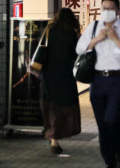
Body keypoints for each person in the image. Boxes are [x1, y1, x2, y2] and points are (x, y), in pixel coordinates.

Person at [76, 0, 120, 168]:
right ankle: (111, 161)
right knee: (103, 124)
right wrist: (97, 39)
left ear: (118, 11)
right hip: (97, 80)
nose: (106, 12)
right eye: (103, 8)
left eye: (110, 8)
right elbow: (79, 48)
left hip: (117, 79)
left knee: (111, 119)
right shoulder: (94, 27)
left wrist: (115, 39)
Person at [37, 8, 81, 154]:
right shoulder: (72, 33)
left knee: (50, 106)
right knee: (64, 106)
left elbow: (41, 50)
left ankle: (53, 138)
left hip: (49, 74)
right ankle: (57, 136)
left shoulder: (49, 30)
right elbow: (76, 54)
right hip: (66, 75)